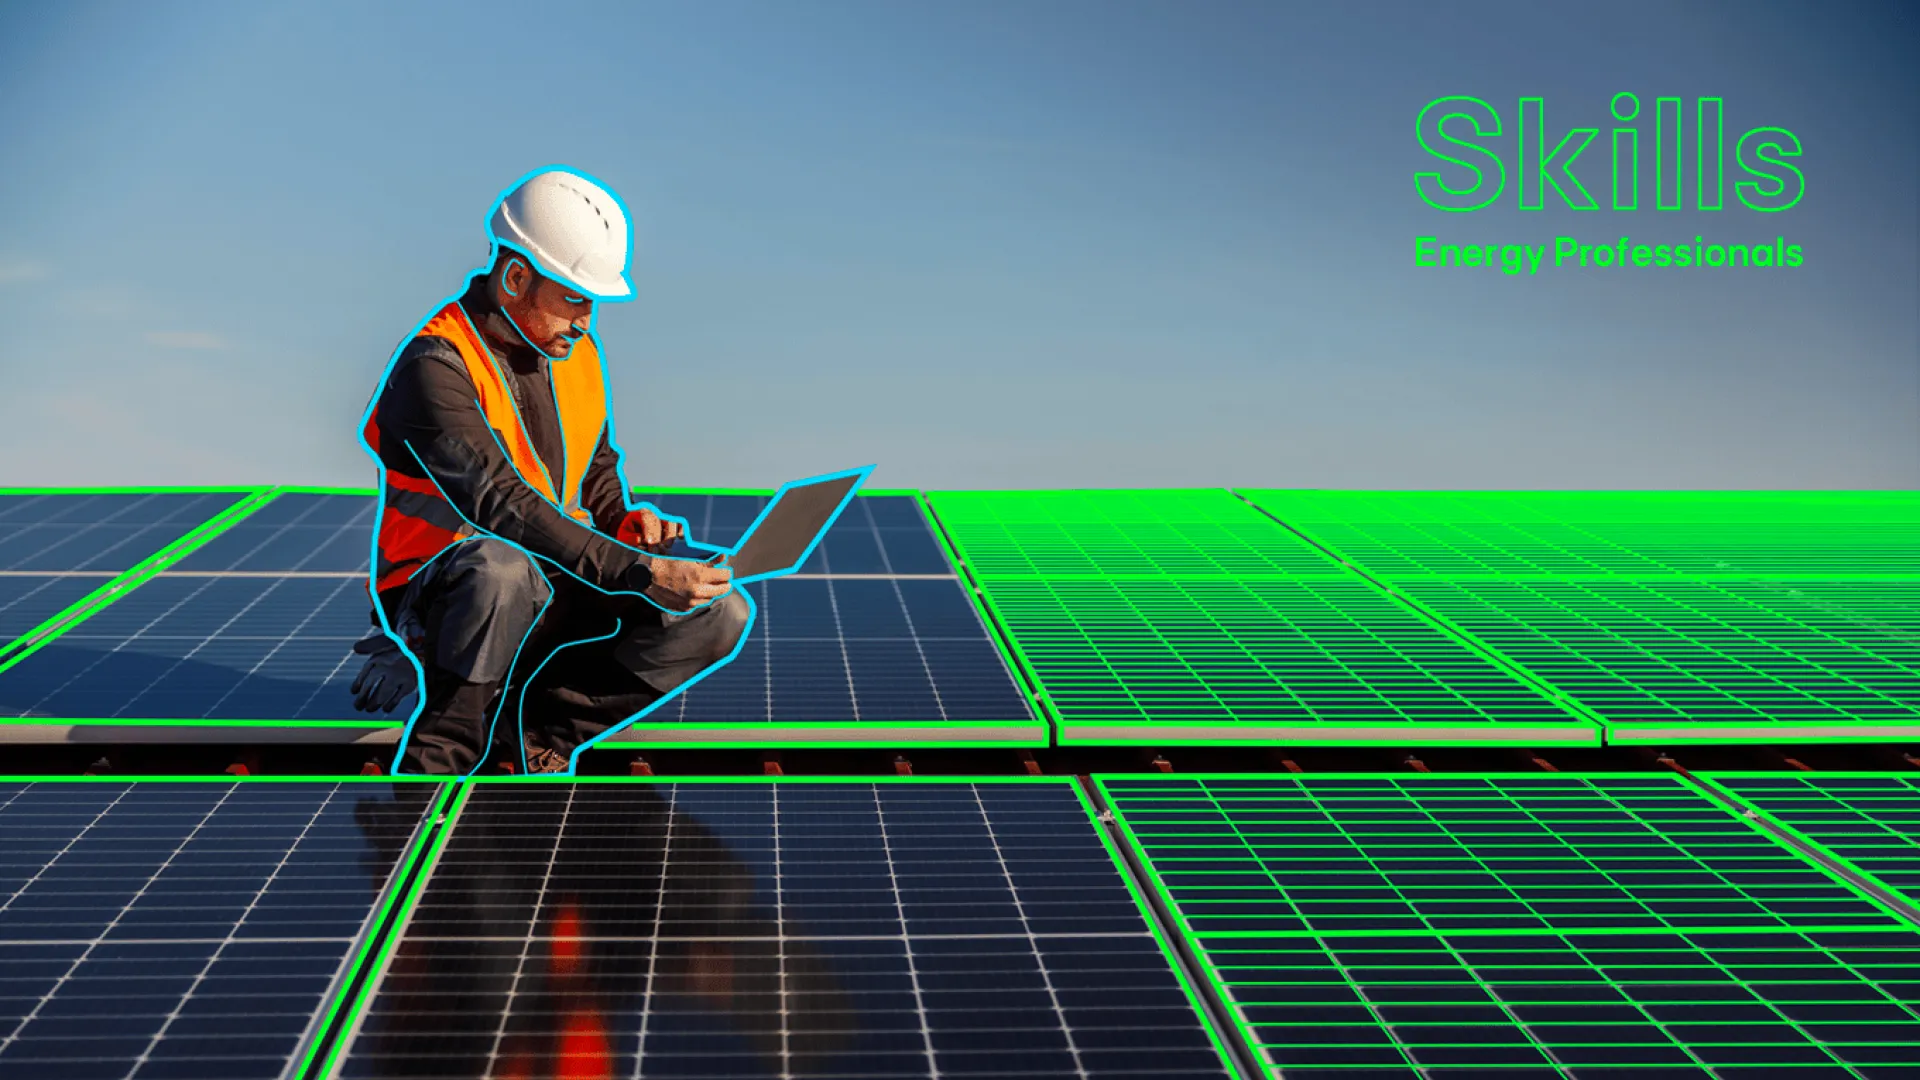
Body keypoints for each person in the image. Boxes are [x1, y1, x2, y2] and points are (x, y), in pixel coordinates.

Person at [348, 166, 748, 776]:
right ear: (515, 278)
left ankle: (532, 740)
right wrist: (636, 569)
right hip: (444, 592)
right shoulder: (435, 366)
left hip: (550, 570)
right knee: (501, 570)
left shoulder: (573, 353)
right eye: (574, 299)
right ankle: (444, 761)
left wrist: (623, 520)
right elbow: (500, 504)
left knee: (718, 612)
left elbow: (596, 464)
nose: (586, 320)